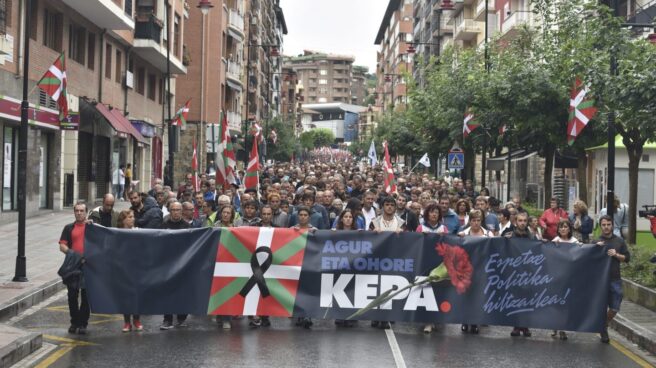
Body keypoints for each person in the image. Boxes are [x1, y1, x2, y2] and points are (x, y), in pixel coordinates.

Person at [596, 215, 630, 344]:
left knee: (615, 307)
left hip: (615, 278)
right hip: (599, 281)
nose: (606, 227)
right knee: (601, 306)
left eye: (608, 224)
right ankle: (603, 331)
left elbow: (627, 258)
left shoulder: (619, 241)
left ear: (612, 225)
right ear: (601, 226)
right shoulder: (596, 241)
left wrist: (616, 254)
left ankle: (603, 324)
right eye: (604, 225)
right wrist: (595, 248)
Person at [59, 202, 90, 335]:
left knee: (86, 296)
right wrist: (74, 255)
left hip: (88, 266)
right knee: (72, 295)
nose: (79, 213)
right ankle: (74, 322)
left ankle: (83, 324)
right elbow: (62, 246)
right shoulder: (68, 228)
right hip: (73, 265)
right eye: (77, 210)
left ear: (86, 212)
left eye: (81, 211)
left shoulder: (91, 227)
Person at [416, 202, 447, 334]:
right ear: (427, 213)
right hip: (424, 263)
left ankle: (436, 319)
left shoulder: (443, 229)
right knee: (426, 292)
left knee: (438, 292)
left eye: (436, 212)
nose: (434, 214)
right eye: (431, 211)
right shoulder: (420, 228)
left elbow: (449, 245)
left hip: (439, 265)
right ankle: (427, 322)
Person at [457, 209, 490, 335]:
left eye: (478, 220)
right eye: (473, 220)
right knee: (466, 296)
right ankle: (465, 320)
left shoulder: (488, 234)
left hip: (482, 269)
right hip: (466, 270)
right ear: (469, 221)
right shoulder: (463, 233)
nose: (476, 223)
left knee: (478, 296)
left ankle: (475, 321)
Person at [160, 202, 191, 330]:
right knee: (167, 292)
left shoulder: (187, 226)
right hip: (167, 264)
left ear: (182, 211)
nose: (176, 212)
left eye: (178, 210)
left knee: (183, 292)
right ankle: (167, 319)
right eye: (173, 210)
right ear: (170, 211)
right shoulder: (164, 225)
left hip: (183, 264)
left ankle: (182, 318)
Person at [507, 212, 535, 337]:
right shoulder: (510, 236)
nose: (522, 223)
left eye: (524, 220)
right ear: (515, 222)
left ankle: (525, 326)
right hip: (514, 273)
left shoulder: (533, 237)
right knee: (515, 299)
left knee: (527, 299)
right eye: (520, 220)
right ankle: (516, 325)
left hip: (529, 272)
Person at [115, 209, 143, 332]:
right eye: (130, 217)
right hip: (122, 269)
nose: (133, 219)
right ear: (123, 220)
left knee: (137, 295)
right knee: (125, 296)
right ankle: (127, 322)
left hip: (136, 268)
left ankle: (136, 320)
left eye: (133, 217)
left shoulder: (138, 232)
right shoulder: (116, 233)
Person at [333, 208, 359, 328]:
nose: (348, 219)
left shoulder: (359, 232)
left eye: (350, 217)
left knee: (351, 291)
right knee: (338, 290)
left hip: (354, 266)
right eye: (346, 217)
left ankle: (350, 316)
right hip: (339, 265)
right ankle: (339, 315)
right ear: (341, 219)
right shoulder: (334, 232)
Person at [292, 206, 316, 329]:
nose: (302, 217)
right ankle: (299, 315)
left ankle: (308, 315)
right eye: (300, 215)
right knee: (297, 291)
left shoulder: (315, 230)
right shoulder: (291, 230)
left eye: (305, 215)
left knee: (309, 290)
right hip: (296, 264)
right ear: (298, 216)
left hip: (310, 264)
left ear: (309, 217)